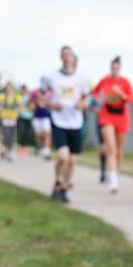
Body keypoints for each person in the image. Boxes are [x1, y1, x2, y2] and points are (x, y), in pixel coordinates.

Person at [45, 46, 91, 202]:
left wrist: (82, 104)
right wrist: (51, 104)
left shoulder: (80, 78)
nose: (66, 57)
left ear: (73, 58)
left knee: (72, 161)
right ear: (60, 57)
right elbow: (42, 96)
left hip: (76, 123)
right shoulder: (52, 77)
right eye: (64, 55)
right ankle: (58, 181)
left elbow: (86, 98)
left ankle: (63, 187)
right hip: (59, 121)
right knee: (63, 157)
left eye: (69, 55)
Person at [93, 56, 133, 193]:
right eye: (113, 67)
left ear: (120, 68)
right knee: (111, 149)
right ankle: (113, 181)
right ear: (110, 68)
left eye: (117, 67)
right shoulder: (104, 81)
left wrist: (121, 94)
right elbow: (94, 93)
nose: (115, 70)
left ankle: (115, 171)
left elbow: (131, 98)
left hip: (121, 117)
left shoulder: (125, 82)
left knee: (119, 149)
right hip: (107, 116)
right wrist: (99, 99)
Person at [0, 82, 23, 161]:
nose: (9, 89)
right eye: (7, 88)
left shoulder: (17, 96)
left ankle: (8, 153)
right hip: (4, 118)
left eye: (10, 88)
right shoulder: (1, 96)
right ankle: (5, 150)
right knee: (6, 136)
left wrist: (18, 110)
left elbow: (20, 107)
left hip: (13, 119)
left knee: (11, 137)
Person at [29, 77, 53, 159]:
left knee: (47, 133)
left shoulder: (50, 93)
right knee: (38, 135)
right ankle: (39, 145)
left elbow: (52, 103)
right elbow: (31, 103)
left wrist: (47, 103)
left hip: (45, 116)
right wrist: (33, 105)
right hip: (37, 116)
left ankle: (47, 152)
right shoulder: (35, 92)